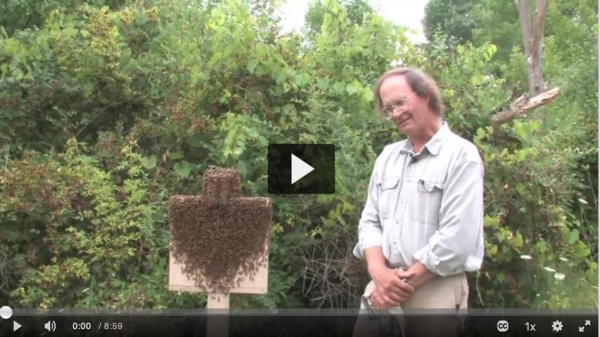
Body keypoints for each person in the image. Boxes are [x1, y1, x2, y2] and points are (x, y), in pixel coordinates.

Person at [352, 68, 485, 337]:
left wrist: (395, 286)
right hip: (382, 286)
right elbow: (370, 221)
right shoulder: (387, 157)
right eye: (388, 108)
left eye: (400, 102)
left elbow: (457, 239)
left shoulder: (461, 156)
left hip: (436, 287)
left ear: (425, 95)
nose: (395, 113)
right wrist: (378, 272)